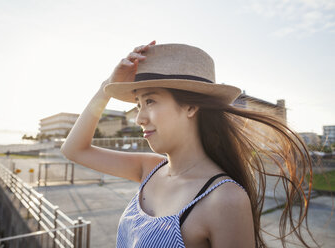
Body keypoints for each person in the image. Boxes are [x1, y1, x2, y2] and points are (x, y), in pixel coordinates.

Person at [60, 41, 317, 247]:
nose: (139, 118)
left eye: (150, 101)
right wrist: (105, 87)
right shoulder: (150, 170)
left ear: (191, 106)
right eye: (138, 104)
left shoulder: (224, 199)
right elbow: (74, 149)